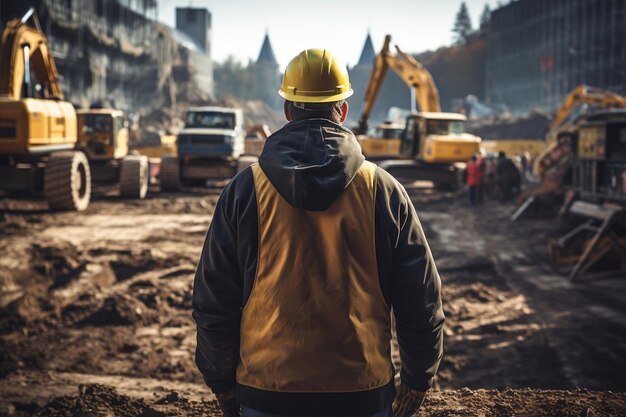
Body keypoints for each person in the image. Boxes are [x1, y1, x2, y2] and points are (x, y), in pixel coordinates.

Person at [193, 48, 444, 417]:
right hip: (362, 393)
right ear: (342, 110)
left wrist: (222, 385)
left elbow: (214, 302)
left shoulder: (244, 190)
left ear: (287, 110)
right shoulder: (385, 191)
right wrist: (417, 379)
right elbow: (420, 301)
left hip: (266, 392)